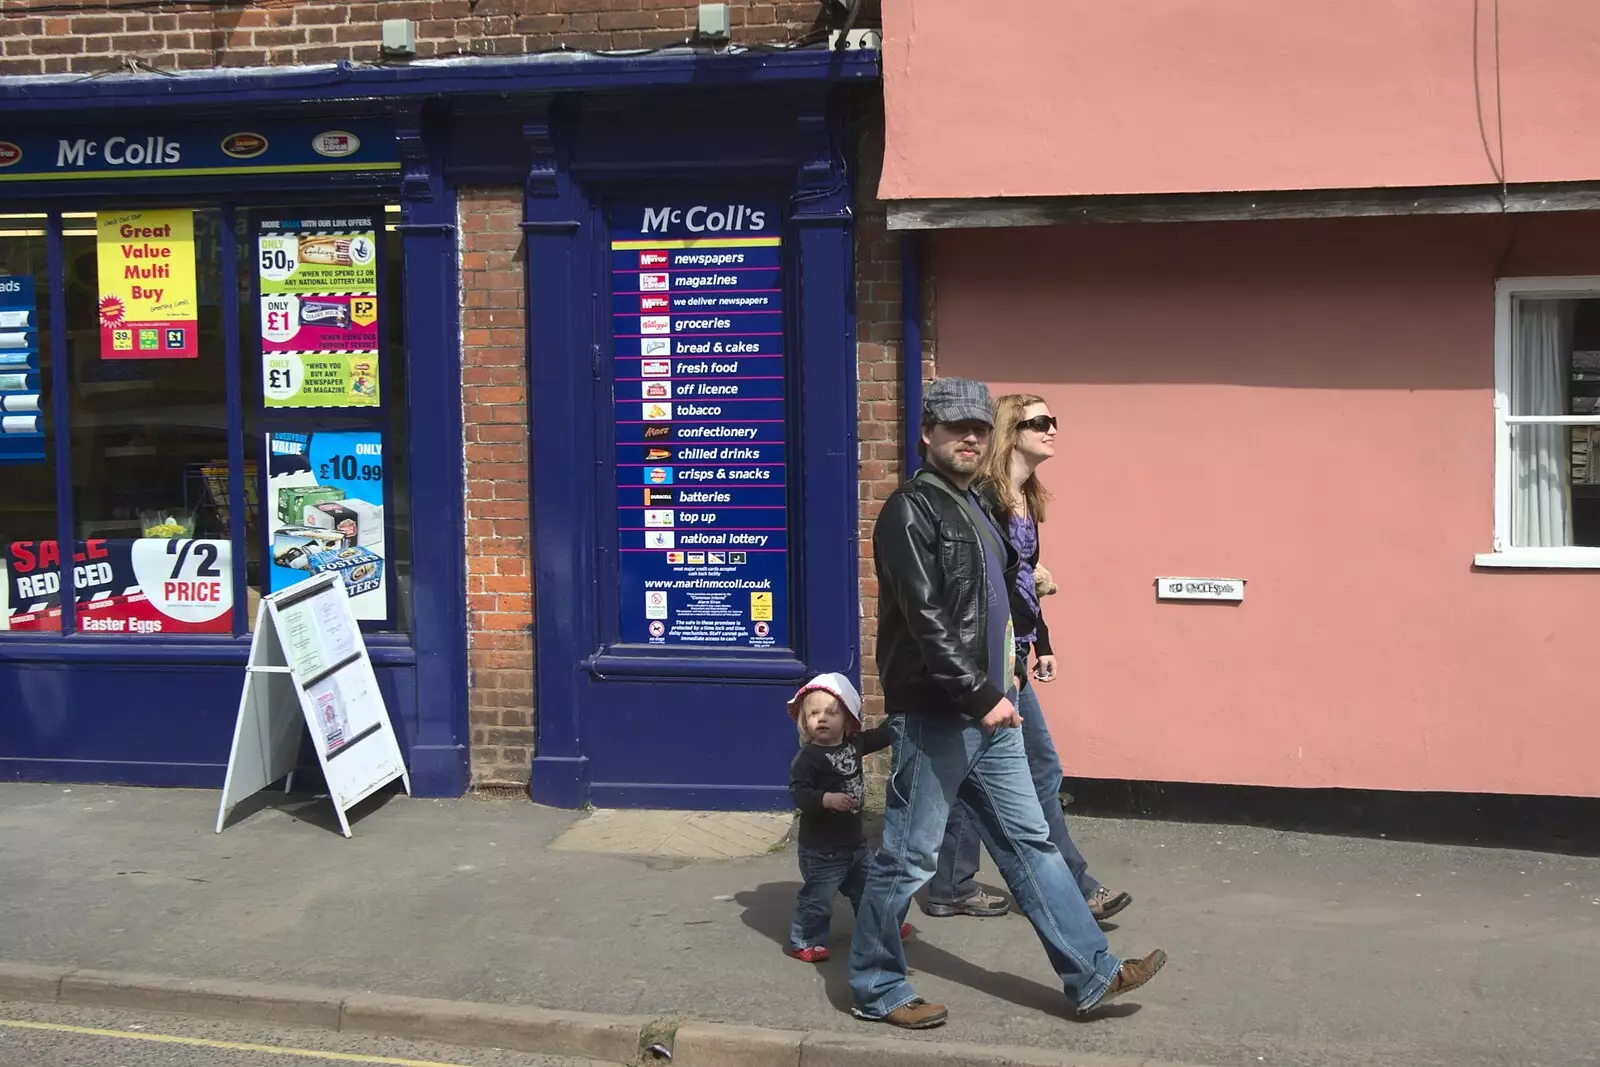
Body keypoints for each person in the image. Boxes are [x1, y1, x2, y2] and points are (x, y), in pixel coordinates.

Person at [846, 377, 1165, 1030]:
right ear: (927, 434)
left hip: (994, 712)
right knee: (908, 857)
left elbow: (999, 607)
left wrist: (1016, 666)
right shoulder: (910, 511)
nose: (969, 436)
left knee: (1032, 843)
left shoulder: (975, 510)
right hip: (940, 711)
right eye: (954, 426)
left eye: (978, 427)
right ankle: (876, 985)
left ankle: (1092, 970)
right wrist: (979, 692)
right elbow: (928, 618)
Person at [922, 394, 1133, 925]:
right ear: (1012, 431)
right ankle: (1074, 887)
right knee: (1035, 767)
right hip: (990, 656)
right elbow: (994, 586)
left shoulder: (1024, 499)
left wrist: (1045, 643)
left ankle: (949, 884)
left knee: (977, 773)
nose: (1053, 429)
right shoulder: (988, 498)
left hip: (1012, 649)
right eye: (1040, 422)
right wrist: (1016, 640)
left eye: (1054, 420)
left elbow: (1024, 580)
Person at [784, 672, 911, 962]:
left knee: (869, 891)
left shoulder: (854, 745)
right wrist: (826, 799)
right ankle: (805, 938)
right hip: (821, 849)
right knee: (818, 900)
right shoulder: (808, 758)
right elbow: (799, 793)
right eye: (814, 713)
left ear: (848, 719)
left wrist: (903, 719)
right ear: (805, 722)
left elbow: (882, 735)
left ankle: (881, 928)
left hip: (855, 844)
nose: (822, 719)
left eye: (831, 712)